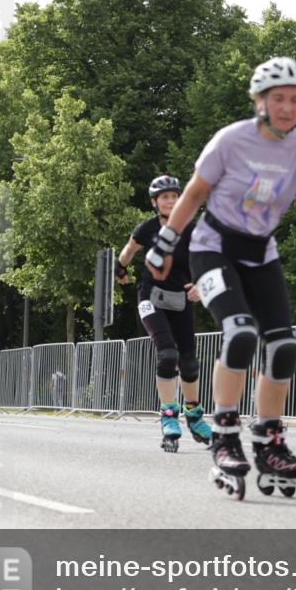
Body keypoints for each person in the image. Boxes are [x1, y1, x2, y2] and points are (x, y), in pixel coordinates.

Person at [146, 57, 296, 499]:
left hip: (262, 256)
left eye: (295, 100)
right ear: (260, 100)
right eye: (279, 98)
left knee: (283, 348)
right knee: (239, 334)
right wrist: (164, 242)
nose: (288, 107)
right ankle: (223, 433)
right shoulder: (231, 141)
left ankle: (269, 441)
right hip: (213, 249)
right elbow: (195, 194)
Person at [116, 175, 212, 452]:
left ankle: (194, 416)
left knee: (190, 363)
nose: (170, 201)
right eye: (165, 197)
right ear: (154, 202)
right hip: (151, 297)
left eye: (174, 196)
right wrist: (119, 269)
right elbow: (128, 250)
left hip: (180, 298)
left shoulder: (191, 229)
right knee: (168, 354)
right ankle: (169, 416)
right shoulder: (147, 227)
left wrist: (200, 286)